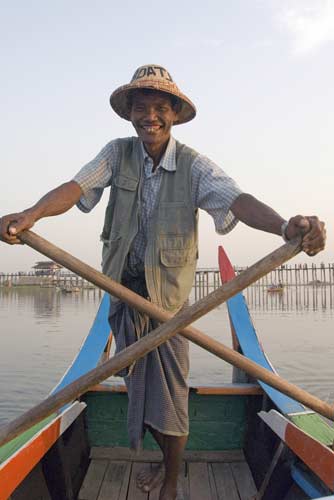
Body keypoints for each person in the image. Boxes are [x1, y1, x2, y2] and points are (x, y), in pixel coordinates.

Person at [0, 64, 326, 500]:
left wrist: (285, 226)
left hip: (170, 308)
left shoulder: (192, 166)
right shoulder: (117, 154)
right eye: (141, 108)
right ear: (129, 113)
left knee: (170, 396)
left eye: (159, 108)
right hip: (122, 295)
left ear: (173, 114)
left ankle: (171, 480)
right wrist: (32, 214)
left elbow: (237, 200)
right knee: (138, 388)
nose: (149, 116)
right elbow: (76, 187)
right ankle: (160, 462)